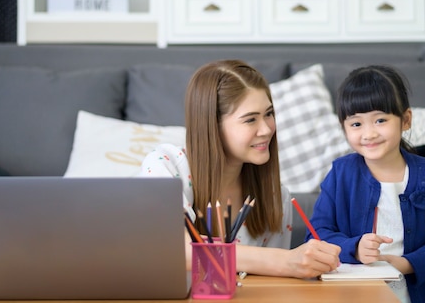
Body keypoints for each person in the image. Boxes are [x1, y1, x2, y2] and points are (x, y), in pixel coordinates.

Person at [140, 59, 340, 278]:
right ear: (212, 126)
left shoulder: (276, 196)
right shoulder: (166, 165)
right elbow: (169, 249)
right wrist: (284, 261)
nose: (266, 129)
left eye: (269, 114)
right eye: (250, 120)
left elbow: (269, 285)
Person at [307, 65, 425, 303]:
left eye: (380, 120)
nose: (369, 134)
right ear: (343, 128)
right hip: (353, 295)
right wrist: (354, 248)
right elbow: (317, 235)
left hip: (417, 295)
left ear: (405, 120)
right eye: (356, 124)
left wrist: (409, 264)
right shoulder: (341, 173)